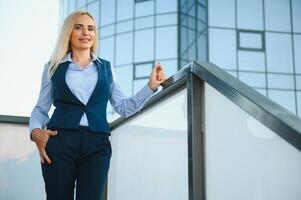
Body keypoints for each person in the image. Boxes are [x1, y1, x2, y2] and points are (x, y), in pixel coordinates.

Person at [29, 11, 166, 200]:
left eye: (90, 28)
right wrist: (36, 131)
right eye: (78, 27)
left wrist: (150, 86)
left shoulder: (107, 68)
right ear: (68, 32)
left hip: (97, 144)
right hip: (60, 142)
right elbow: (41, 108)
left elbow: (124, 107)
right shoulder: (53, 67)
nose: (86, 32)